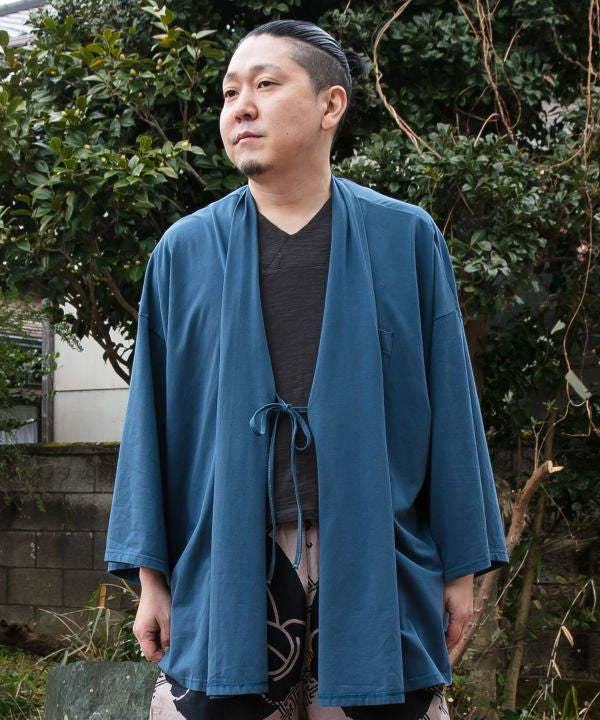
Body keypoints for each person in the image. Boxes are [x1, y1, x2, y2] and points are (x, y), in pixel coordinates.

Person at [104, 18, 510, 720]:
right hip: (224, 556)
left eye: (266, 84)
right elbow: (153, 424)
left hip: (378, 555)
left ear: (330, 105)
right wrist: (151, 577)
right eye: (230, 92)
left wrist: (461, 568)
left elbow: (450, 409)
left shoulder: (405, 238)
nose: (241, 107)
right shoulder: (184, 251)